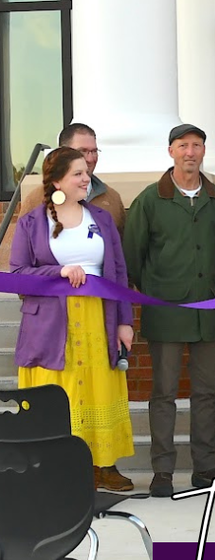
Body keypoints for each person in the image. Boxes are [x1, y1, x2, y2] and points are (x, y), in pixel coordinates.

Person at [11, 146, 134, 491]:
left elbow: (119, 272)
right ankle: (56, 468)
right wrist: (59, 271)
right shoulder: (32, 222)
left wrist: (124, 321)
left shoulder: (102, 218)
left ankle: (102, 466)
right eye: (78, 173)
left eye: (86, 172)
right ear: (57, 180)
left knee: (99, 391)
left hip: (98, 319)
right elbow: (18, 274)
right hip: (50, 326)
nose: (85, 178)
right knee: (58, 394)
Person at [122, 124, 215, 498]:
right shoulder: (150, 199)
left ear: (203, 151)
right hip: (166, 311)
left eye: (197, 145)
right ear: (170, 151)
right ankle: (163, 471)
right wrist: (157, 290)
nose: (190, 152)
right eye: (183, 145)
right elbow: (133, 257)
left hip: (209, 310)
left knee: (207, 392)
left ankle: (206, 467)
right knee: (164, 393)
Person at [23, 123, 127, 234]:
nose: (90, 159)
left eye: (94, 151)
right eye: (82, 151)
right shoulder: (36, 200)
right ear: (62, 153)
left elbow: (120, 243)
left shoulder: (112, 199)